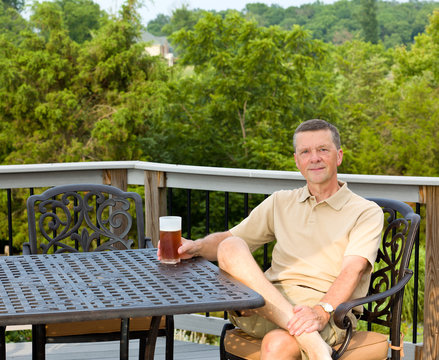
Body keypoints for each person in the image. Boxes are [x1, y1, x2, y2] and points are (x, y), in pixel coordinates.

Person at [158, 119, 384, 360]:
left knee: (277, 345)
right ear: (297, 161)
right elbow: (227, 242)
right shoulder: (281, 202)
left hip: (327, 311)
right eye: (305, 152)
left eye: (322, 150)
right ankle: (313, 345)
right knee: (230, 245)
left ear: (338, 156)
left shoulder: (365, 211)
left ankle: (311, 338)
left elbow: (353, 271)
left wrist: (320, 312)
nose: (314, 158)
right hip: (267, 305)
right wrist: (196, 247)